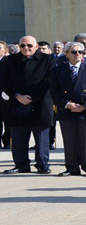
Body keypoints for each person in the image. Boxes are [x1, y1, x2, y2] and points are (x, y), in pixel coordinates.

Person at [2, 36, 56, 174]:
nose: (26, 48)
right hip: (17, 104)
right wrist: (17, 96)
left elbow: (49, 82)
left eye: (29, 45)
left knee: (42, 139)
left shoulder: (48, 59)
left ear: (36, 46)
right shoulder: (9, 61)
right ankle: (21, 165)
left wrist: (31, 98)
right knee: (19, 139)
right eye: (23, 46)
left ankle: (43, 165)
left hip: (41, 104)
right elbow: (4, 81)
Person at [50, 41, 86, 177]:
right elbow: (54, 92)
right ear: (66, 54)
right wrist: (67, 104)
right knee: (69, 140)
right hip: (67, 110)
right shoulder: (58, 70)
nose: (78, 54)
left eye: (81, 52)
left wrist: (84, 106)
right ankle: (72, 167)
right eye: (74, 52)